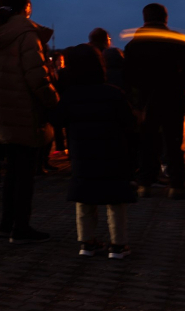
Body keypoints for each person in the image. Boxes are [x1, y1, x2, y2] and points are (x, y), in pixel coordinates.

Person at [0, 0, 59, 244]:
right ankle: (21, 228)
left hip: (2, 116)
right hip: (26, 114)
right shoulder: (26, 34)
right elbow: (37, 76)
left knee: (12, 174)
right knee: (24, 176)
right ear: (27, 6)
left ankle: (6, 224)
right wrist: (54, 102)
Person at [52, 44, 137, 259]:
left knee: (85, 199)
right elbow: (130, 123)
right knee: (116, 200)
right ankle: (118, 244)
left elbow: (58, 119)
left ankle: (86, 242)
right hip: (113, 153)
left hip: (82, 154)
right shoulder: (113, 93)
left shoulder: (70, 96)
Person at [124, 3, 185, 199]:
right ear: (166, 18)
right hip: (171, 98)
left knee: (148, 141)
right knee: (173, 142)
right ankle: (176, 185)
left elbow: (127, 76)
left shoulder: (133, 45)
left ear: (144, 18)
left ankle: (145, 183)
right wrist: (177, 84)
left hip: (145, 101)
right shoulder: (175, 41)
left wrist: (136, 99)